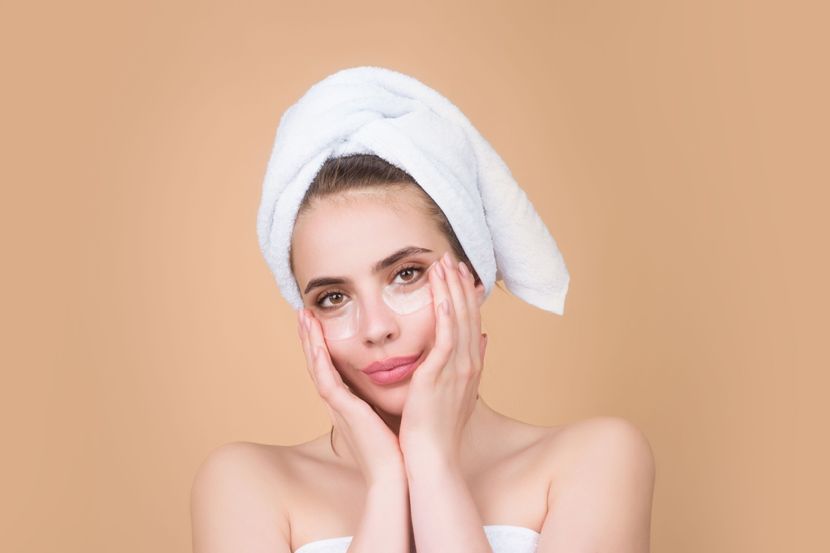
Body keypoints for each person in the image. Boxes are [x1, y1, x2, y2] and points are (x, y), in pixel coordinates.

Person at [191, 69, 655, 553]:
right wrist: (386, 483)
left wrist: (431, 463)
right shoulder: (245, 485)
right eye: (333, 298)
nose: (376, 328)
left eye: (406, 274)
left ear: (472, 275)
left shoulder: (596, 460)